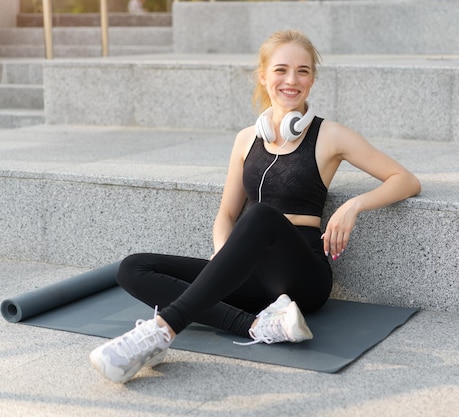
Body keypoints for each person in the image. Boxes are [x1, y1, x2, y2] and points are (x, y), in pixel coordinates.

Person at [89, 29, 421, 383]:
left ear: (312, 78)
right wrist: (223, 256)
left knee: (262, 215)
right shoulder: (246, 139)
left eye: (303, 71)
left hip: (301, 276)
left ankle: (163, 331)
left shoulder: (331, 135)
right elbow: (227, 214)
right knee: (132, 268)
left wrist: (353, 205)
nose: (292, 80)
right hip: (248, 274)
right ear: (263, 76)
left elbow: (405, 179)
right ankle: (257, 325)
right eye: (281, 70)